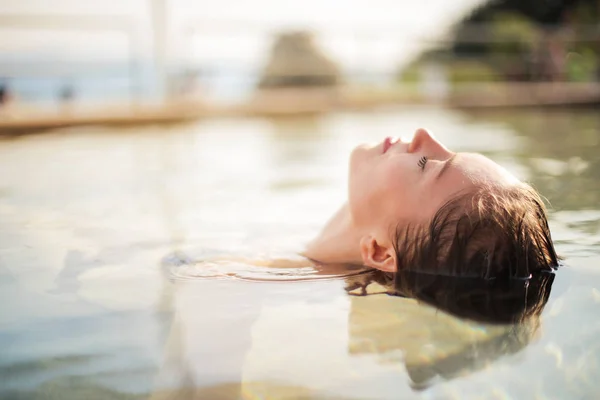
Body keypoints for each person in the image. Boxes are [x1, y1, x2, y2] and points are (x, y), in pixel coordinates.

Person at [304, 128, 559, 280]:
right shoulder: (372, 216)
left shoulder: (276, 290)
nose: (423, 135)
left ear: (380, 252)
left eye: (426, 164)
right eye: (451, 151)